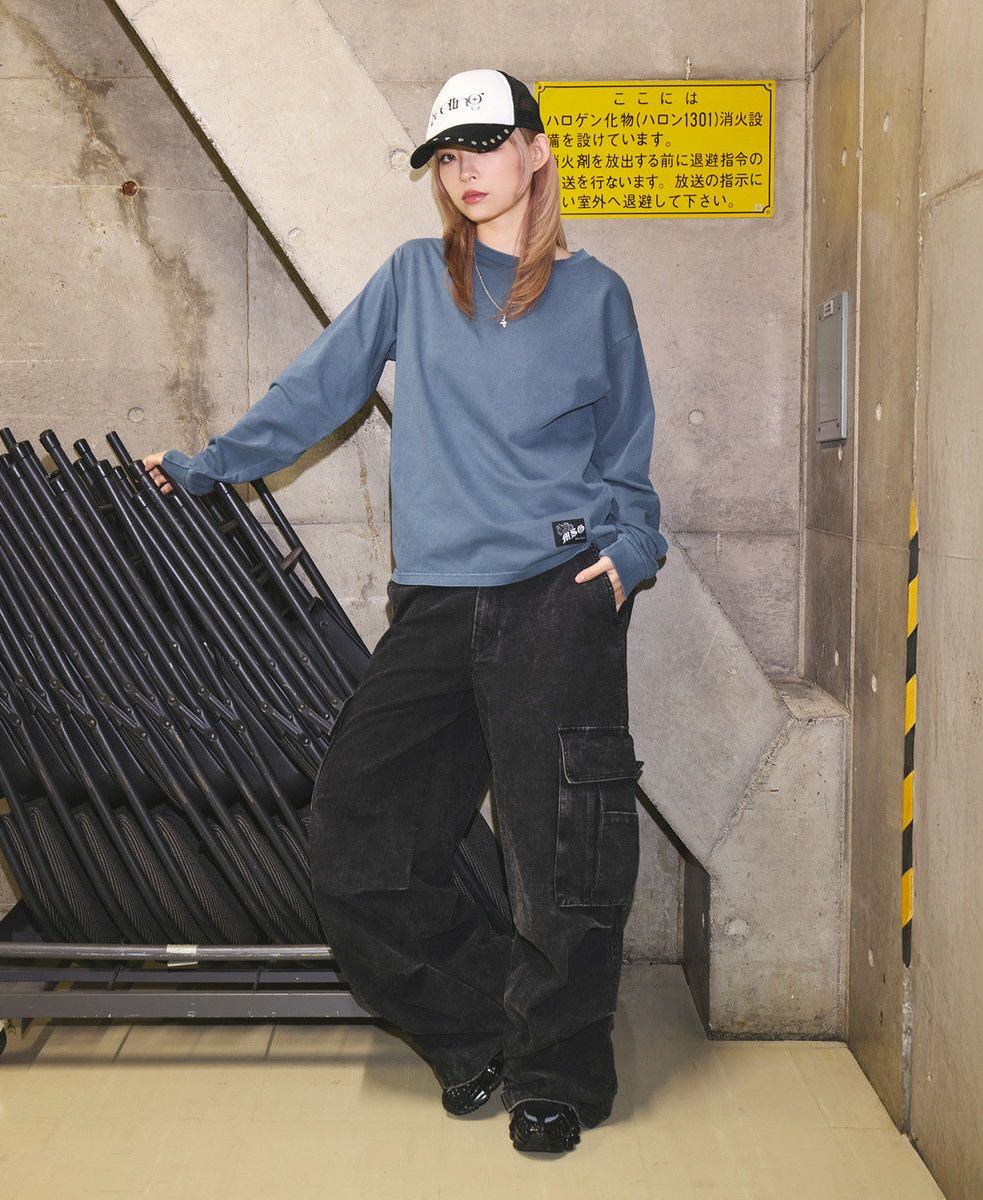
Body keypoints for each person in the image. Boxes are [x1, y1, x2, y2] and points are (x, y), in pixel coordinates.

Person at [143, 67, 667, 1155]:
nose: (466, 170)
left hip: (557, 596)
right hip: (435, 603)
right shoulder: (413, 279)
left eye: (485, 145)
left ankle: (559, 1073)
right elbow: (318, 388)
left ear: (535, 149)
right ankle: (479, 1028)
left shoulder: (597, 296)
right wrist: (210, 466)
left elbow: (627, 460)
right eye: (448, 156)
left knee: (560, 850)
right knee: (359, 831)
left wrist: (627, 557)